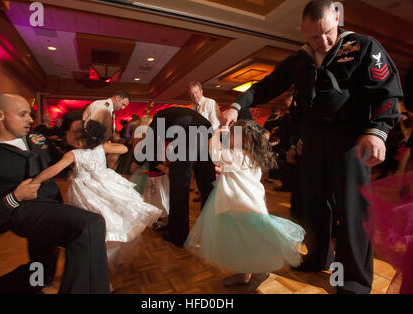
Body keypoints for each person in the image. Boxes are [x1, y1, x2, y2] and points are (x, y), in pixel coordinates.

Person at [220, 0, 403, 294]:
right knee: (311, 206)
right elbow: (266, 85)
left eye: (328, 32)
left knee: (352, 211)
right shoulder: (301, 59)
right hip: (314, 144)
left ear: (337, 17)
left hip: (351, 143)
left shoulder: (363, 46)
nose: (323, 41)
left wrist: (378, 131)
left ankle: (351, 280)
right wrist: (235, 105)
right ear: (303, 32)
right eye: (314, 36)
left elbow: (386, 92)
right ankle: (318, 257)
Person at [0, 93, 111, 294]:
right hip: (22, 211)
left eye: (30, 114)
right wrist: (15, 197)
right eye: (23, 114)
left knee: (41, 273)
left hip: (52, 207)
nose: (31, 120)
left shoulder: (36, 138)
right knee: (89, 225)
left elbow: (67, 158)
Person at [184, 120, 305, 290]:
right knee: (242, 241)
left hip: (242, 207)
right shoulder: (245, 154)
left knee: (247, 241)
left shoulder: (238, 155)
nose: (227, 136)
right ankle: (245, 273)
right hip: (241, 205)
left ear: (244, 140)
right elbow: (228, 166)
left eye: (231, 135)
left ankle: (257, 271)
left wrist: (215, 133)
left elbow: (215, 154)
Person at [31, 119, 162, 246]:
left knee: (92, 212)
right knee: (107, 209)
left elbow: (54, 169)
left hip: (85, 189)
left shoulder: (73, 154)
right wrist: (105, 145)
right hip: (105, 183)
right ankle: (105, 239)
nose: (66, 134)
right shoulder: (100, 148)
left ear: (80, 143)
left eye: (69, 132)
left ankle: (93, 240)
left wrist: (35, 181)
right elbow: (124, 149)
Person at [142, 107, 216, 247]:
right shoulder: (174, 114)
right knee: (207, 186)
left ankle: (178, 236)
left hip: (185, 134)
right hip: (204, 132)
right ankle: (211, 231)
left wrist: (136, 161)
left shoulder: (158, 118)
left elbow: (149, 142)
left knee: (179, 187)